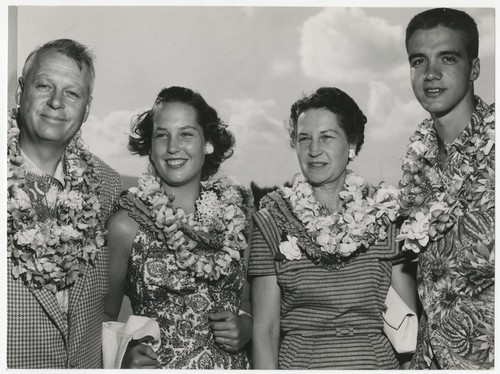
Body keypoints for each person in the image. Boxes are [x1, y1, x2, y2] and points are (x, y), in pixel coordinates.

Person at [249, 87, 417, 369]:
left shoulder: (385, 215)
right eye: (304, 139)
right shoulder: (271, 219)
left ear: (351, 144)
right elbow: (265, 332)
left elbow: (409, 326)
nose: (314, 150)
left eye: (327, 137)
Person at [104, 86, 253, 369]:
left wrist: (247, 325)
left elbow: (250, 302)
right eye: (162, 135)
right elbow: (102, 315)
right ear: (149, 146)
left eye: (186, 133)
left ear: (207, 142)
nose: (173, 147)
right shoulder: (126, 224)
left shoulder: (239, 216)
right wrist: (124, 353)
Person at [7, 39, 122, 368]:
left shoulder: (108, 185)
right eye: (44, 85)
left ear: (86, 108)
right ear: (20, 92)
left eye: (72, 93)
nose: (56, 102)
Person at [398, 8, 494, 370]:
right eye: (418, 61)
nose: (430, 75)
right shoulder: (416, 161)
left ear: (474, 68)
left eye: (447, 59)